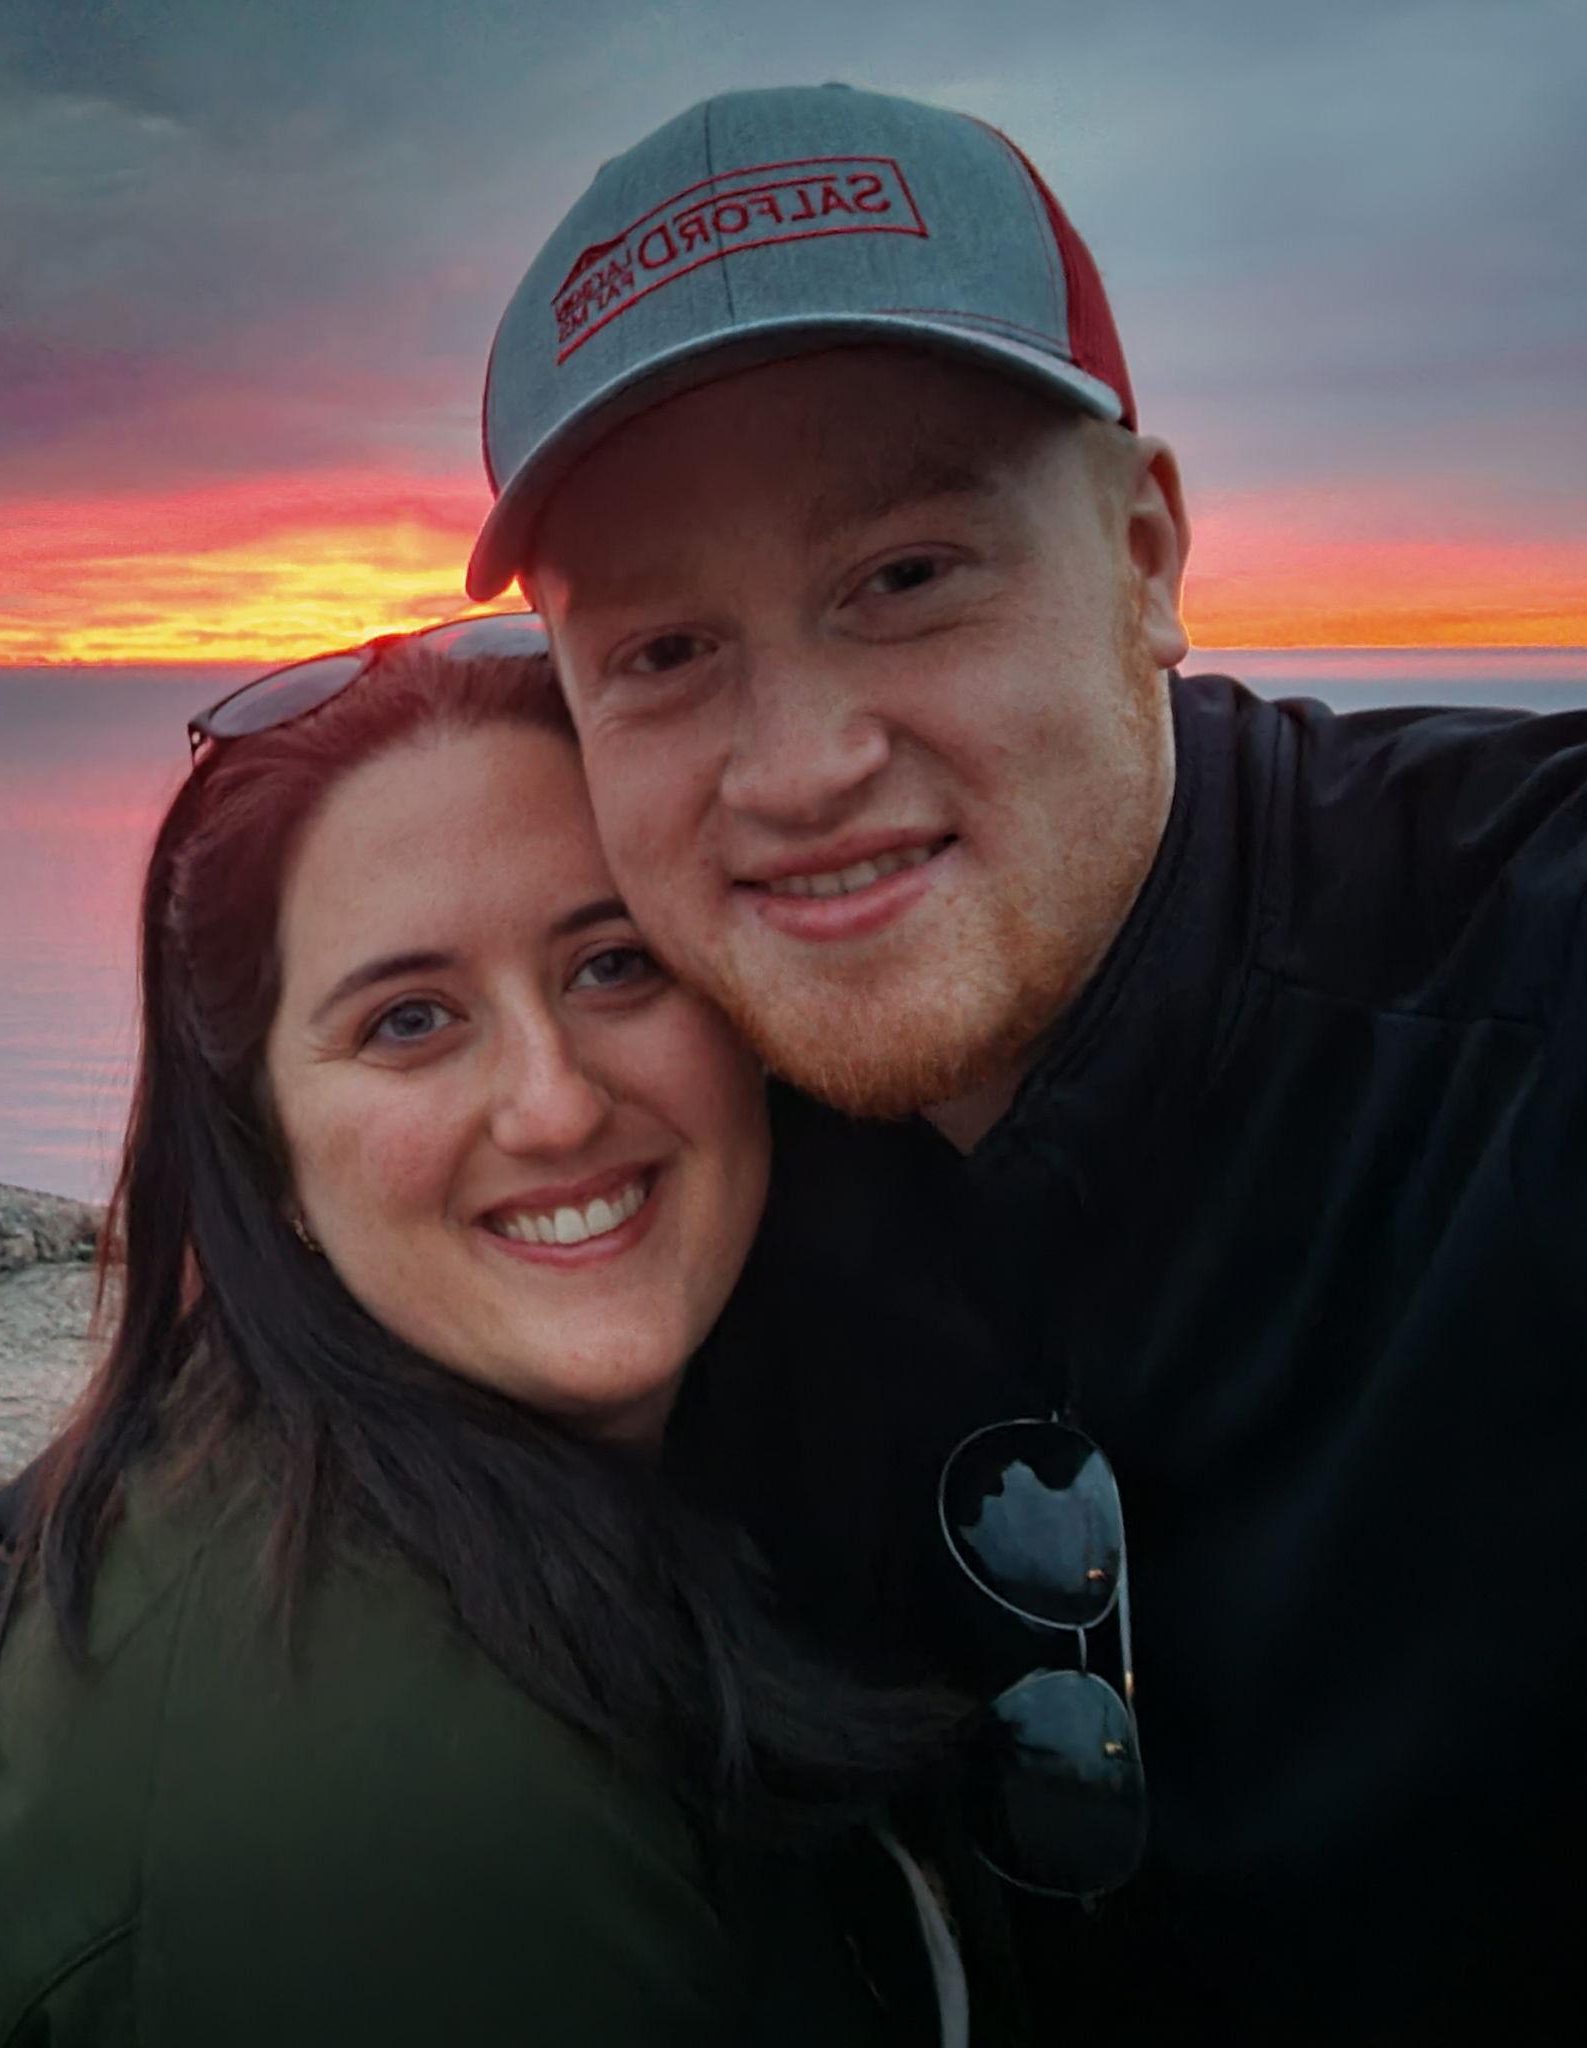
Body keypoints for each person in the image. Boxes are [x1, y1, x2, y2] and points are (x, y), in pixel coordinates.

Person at [466, 82, 1587, 2046]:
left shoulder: (1511, 985)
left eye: (905, 574)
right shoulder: (634, 1131)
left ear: (1145, 555)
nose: (800, 767)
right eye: (663, 652)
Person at [0, 625, 975, 2046]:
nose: (553, 1105)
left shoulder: (340, 1439)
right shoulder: (418, 1816)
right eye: (410, 1021)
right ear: (264, 1150)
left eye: (614, 963)